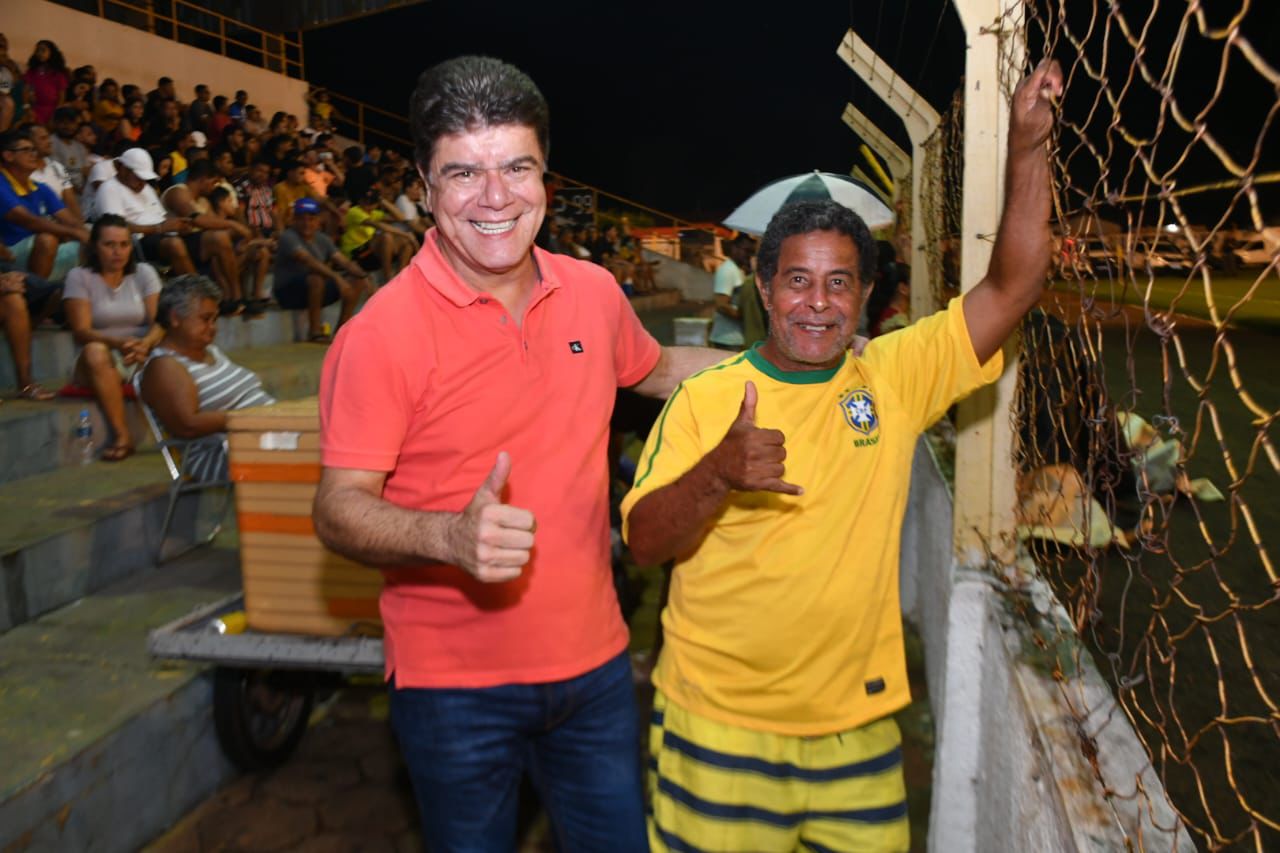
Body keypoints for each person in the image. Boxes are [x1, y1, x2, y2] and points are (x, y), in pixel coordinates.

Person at [620, 60, 1063, 853]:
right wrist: (718, 471)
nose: (817, 303)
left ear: (865, 296)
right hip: (718, 725)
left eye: (838, 284)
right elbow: (645, 542)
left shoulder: (893, 376)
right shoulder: (706, 397)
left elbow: (1013, 285)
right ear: (762, 284)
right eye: (797, 280)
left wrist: (1028, 149)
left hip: (857, 728)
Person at [311, 55, 724, 851]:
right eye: (463, 173)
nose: (495, 198)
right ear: (425, 190)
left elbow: (662, 371)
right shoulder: (381, 334)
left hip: (596, 667)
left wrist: (792, 361)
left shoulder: (594, 292)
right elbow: (338, 506)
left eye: (516, 168)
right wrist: (446, 537)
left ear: (547, 178)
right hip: (453, 691)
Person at [138, 274, 275, 479]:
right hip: (217, 454)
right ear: (175, 318)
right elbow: (187, 425)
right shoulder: (164, 366)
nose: (213, 327)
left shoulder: (211, 351)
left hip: (253, 438)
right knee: (316, 453)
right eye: (205, 319)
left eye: (215, 319)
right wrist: (252, 419)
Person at [63, 214, 165, 461]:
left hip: (140, 352)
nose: (117, 252)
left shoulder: (144, 273)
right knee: (95, 351)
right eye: (109, 245)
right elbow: (82, 331)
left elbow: (159, 322)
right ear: (95, 247)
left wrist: (145, 343)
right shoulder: (79, 276)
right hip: (98, 358)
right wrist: (120, 343)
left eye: (124, 244)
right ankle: (122, 436)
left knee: (176, 343)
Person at [0, 127, 88, 282]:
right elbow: (29, 221)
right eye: (26, 150)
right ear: (8, 155)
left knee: (100, 238)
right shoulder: (1, 183)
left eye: (34, 149)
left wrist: (86, 233)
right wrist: (73, 233)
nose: (34, 154)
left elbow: (70, 219)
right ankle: (36, 296)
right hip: (9, 253)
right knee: (48, 239)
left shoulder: (40, 187)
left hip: (40, 250)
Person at [272, 197, 362, 341]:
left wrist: (363, 276)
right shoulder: (288, 237)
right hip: (288, 292)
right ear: (294, 220)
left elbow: (343, 261)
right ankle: (314, 332)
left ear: (318, 221)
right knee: (316, 278)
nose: (307, 223)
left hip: (314, 290)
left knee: (356, 280)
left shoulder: (322, 238)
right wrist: (337, 278)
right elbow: (308, 261)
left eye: (311, 219)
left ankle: (341, 331)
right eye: (302, 219)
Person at [94, 147, 196, 273]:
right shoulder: (109, 189)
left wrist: (178, 225)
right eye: (138, 178)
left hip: (163, 234)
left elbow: (162, 216)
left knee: (215, 238)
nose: (142, 183)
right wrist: (159, 228)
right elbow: (115, 227)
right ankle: (197, 290)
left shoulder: (146, 188)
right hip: (139, 242)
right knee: (175, 245)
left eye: (145, 179)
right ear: (123, 169)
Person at [340, 185, 414, 282]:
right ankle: (388, 278)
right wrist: (405, 234)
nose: (367, 204)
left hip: (369, 251)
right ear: (360, 201)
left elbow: (401, 217)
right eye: (365, 201)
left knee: (406, 243)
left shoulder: (374, 213)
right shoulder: (354, 211)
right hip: (355, 252)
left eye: (371, 202)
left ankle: (400, 278)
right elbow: (380, 226)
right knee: (386, 236)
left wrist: (382, 200)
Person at [708, 236, 749, 349]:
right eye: (746, 250)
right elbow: (721, 305)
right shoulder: (727, 271)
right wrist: (747, 316)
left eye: (751, 251)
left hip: (737, 339)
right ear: (734, 249)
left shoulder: (739, 270)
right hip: (727, 340)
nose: (748, 255)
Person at [22, 40, 68, 127]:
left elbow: (61, 98)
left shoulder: (58, 74)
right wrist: (27, 108)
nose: (40, 53)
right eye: (37, 51)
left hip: (52, 111)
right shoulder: (32, 72)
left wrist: (54, 115)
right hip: (35, 109)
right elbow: (26, 91)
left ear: (52, 53)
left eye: (43, 50)